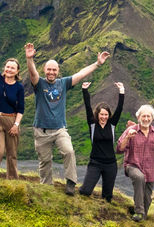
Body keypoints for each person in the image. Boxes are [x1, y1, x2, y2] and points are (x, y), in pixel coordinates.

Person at [24, 43, 110, 194]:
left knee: (69, 151)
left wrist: (97, 64)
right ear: (45, 70)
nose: (51, 72)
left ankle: (70, 182)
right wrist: (29, 59)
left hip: (59, 129)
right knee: (45, 161)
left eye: (54, 70)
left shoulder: (63, 83)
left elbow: (81, 74)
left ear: (58, 71)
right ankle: (46, 188)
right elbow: (32, 74)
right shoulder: (39, 83)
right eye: (49, 69)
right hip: (41, 131)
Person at [117, 104, 154, 222]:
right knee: (139, 177)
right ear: (138, 118)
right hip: (132, 165)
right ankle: (139, 212)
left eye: (148, 116)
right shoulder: (131, 131)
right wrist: (127, 138)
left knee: (147, 198)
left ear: (152, 118)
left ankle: (142, 218)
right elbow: (119, 149)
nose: (146, 119)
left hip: (150, 170)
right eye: (143, 116)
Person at [78, 81, 125, 202]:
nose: (103, 117)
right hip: (95, 163)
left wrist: (121, 92)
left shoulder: (112, 124)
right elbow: (87, 107)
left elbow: (119, 109)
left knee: (107, 197)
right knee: (85, 191)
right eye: (101, 114)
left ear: (109, 115)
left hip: (110, 164)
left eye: (106, 114)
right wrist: (84, 90)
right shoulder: (92, 124)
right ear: (97, 114)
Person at [0, 58, 25, 179]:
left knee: (12, 153)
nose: (9, 69)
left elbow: (21, 108)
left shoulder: (19, 87)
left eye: (12, 68)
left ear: (17, 71)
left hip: (11, 120)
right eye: (7, 67)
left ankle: (13, 181)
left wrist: (16, 125)